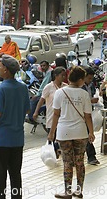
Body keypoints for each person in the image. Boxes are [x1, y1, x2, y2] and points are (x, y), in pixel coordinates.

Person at [48, 66, 95, 199]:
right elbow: (88, 116)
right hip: (80, 133)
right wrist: (91, 132)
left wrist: (52, 132)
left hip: (64, 132)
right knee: (79, 162)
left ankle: (67, 192)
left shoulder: (59, 93)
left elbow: (56, 114)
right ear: (80, 80)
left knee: (67, 162)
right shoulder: (84, 94)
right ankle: (79, 190)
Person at [0, 55, 30, 199]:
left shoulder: (1, 89)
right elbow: (27, 110)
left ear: (5, 70)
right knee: (15, 175)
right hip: (17, 139)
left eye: (0, 66)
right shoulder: (23, 87)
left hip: (1, 139)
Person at [33, 66, 67, 131]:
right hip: (52, 117)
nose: (64, 77)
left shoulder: (66, 86)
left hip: (64, 118)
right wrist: (36, 112)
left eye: (64, 75)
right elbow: (42, 100)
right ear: (56, 76)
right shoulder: (49, 87)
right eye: (62, 75)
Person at [81, 66, 100, 165]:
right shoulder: (79, 87)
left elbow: (93, 94)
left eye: (91, 78)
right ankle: (91, 156)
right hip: (81, 114)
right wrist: (90, 100)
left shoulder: (91, 85)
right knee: (86, 134)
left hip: (89, 112)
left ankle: (91, 156)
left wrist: (94, 99)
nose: (90, 80)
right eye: (88, 78)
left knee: (87, 134)